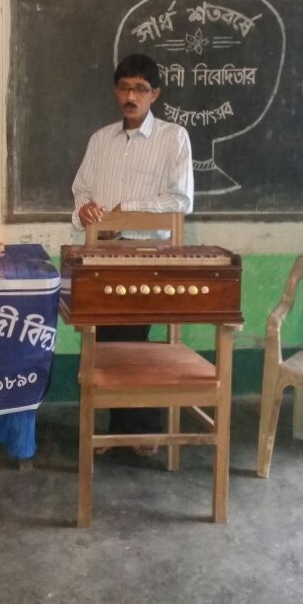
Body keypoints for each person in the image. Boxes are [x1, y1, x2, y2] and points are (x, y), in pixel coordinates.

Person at [72, 52, 194, 455]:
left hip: (148, 254)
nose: (131, 96)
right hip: (102, 252)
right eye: (125, 87)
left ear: (154, 94)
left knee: (135, 342)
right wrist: (84, 210)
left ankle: (138, 429)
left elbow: (181, 200)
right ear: (115, 91)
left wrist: (131, 210)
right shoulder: (100, 140)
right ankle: (114, 428)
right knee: (103, 340)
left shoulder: (173, 138)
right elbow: (81, 191)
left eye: (140, 89)